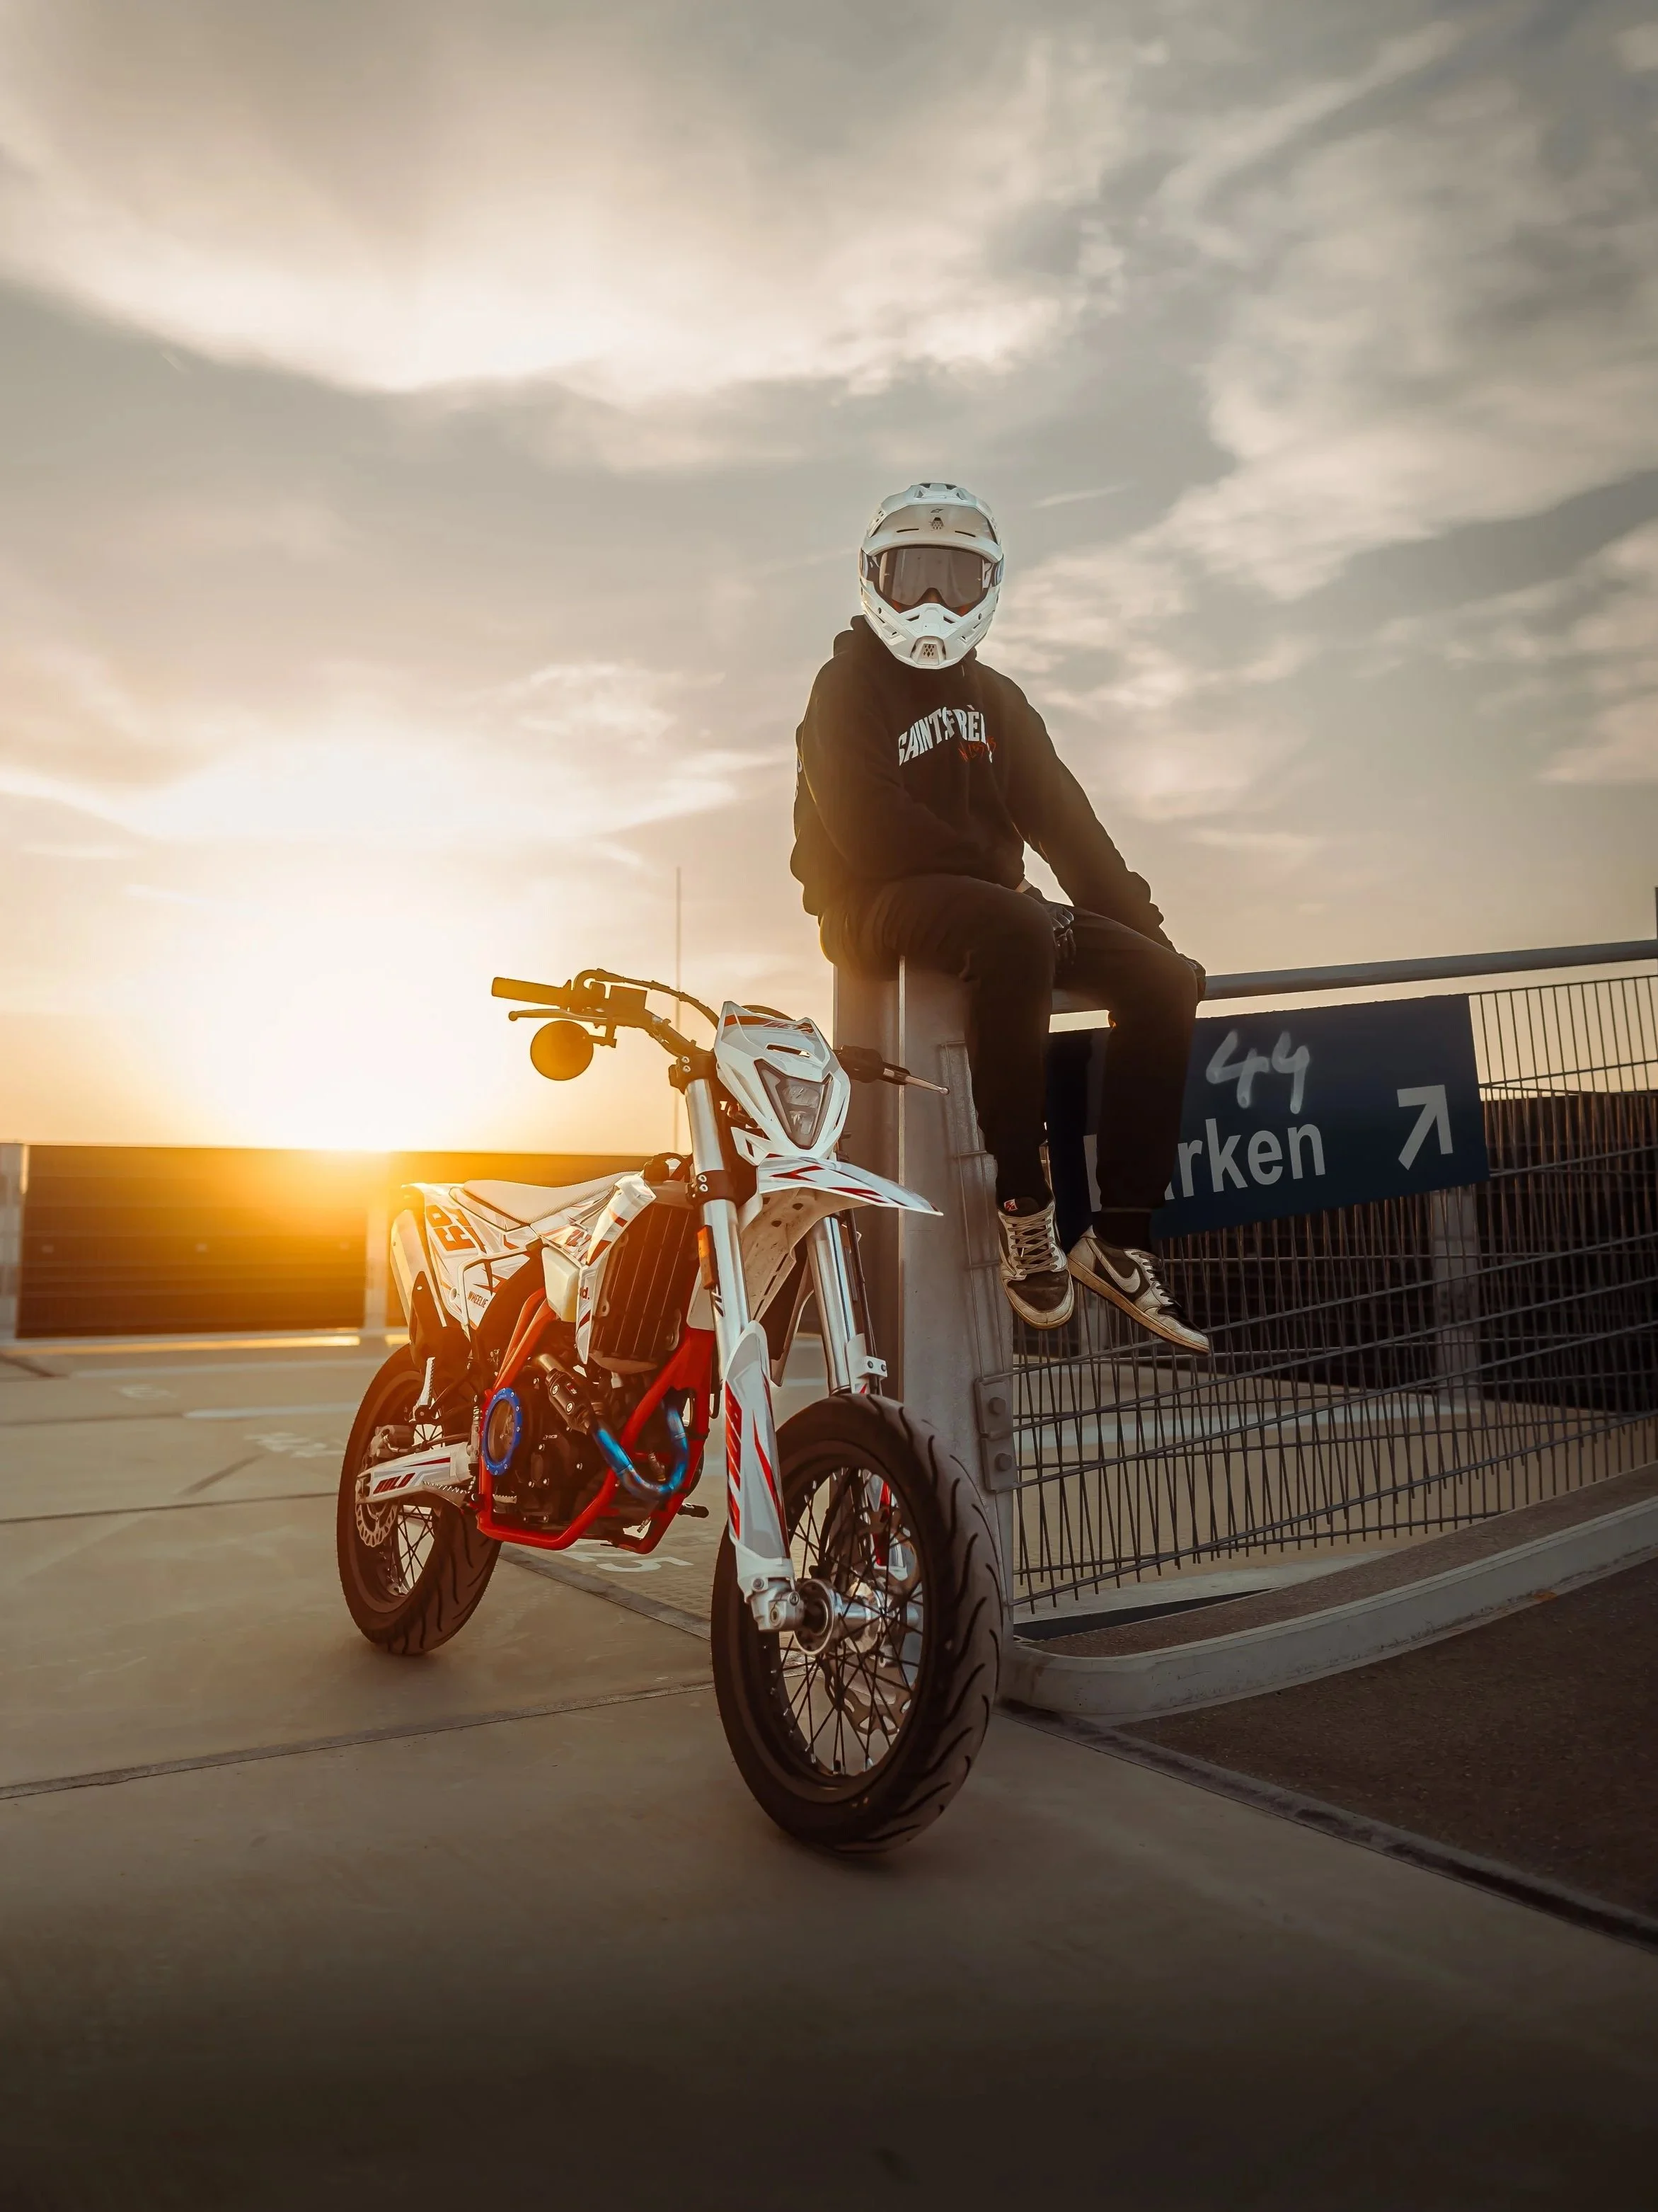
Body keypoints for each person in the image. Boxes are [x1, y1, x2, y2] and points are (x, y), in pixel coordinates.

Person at [790, 481, 1209, 1352]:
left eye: (956, 578)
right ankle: (1025, 1208)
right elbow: (870, 832)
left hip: (986, 906)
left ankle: (1120, 1237)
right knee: (1017, 930)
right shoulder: (844, 685)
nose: (934, 602)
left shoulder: (998, 700)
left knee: (1165, 981)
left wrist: (1145, 935)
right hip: (869, 899)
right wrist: (1010, 892)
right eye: (913, 578)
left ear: (989, 587)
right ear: (874, 580)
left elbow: (1068, 824)